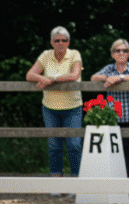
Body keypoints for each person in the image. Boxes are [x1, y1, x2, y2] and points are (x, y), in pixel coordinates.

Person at [25, 26, 84, 181]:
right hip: (50, 108)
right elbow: (30, 74)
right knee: (54, 146)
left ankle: (76, 181)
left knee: (74, 145)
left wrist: (52, 79)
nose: (60, 43)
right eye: (57, 40)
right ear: (51, 42)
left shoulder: (74, 54)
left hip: (72, 108)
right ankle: (56, 182)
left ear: (68, 42)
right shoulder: (45, 55)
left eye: (64, 40)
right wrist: (41, 78)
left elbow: (75, 75)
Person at [91, 39, 129, 177]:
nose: (121, 53)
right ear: (112, 54)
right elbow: (93, 78)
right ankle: (115, 189)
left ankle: (126, 188)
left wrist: (120, 77)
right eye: (118, 50)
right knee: (112, 154)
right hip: (113, 120)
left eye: (125, 50)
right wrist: (108, 77)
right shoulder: (109, 69)